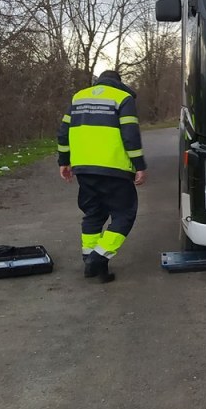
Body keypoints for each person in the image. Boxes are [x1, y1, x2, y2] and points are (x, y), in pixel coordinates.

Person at [57, 70, 146, 283]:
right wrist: (139, 165)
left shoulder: (78, 97)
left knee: (94, 214)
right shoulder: (122, 98)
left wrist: (63, 161)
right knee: (124, 214)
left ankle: (91, 263)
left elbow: (63, 132)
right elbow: (130, 135)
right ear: (119, 82)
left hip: (84, 169)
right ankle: (98, 257)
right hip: (115, 170)